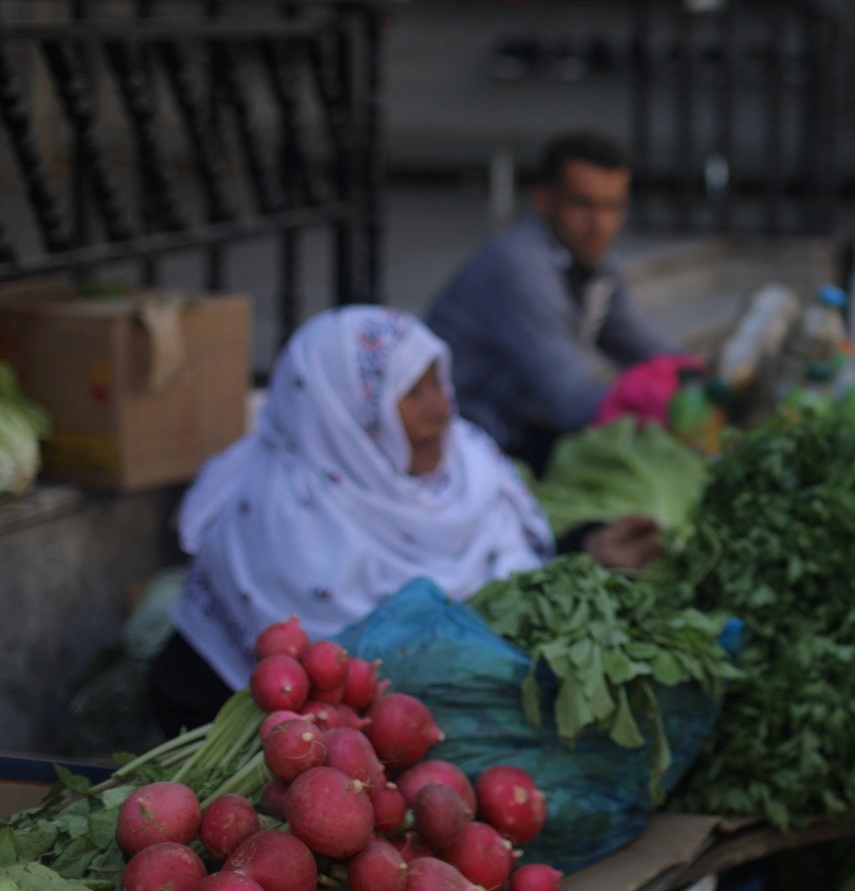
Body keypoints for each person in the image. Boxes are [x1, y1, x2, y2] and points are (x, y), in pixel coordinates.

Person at [148, 306, 661, 735]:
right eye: (413, 393)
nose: (441, 410)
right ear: (344, 415)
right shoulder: (273, 525)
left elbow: (503, 594)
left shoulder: (469, 466)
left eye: (439, 383)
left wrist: (587, 549)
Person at [427, 132, 677, 471]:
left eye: (613, 207)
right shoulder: (519, 266)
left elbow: (642, 344)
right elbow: (571, 401)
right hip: (464, 444)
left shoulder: (595, 263)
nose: (599, 223)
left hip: (520, 431)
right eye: (582, 204)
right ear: (543, 200)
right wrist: (673, 408)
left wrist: (702, 381)